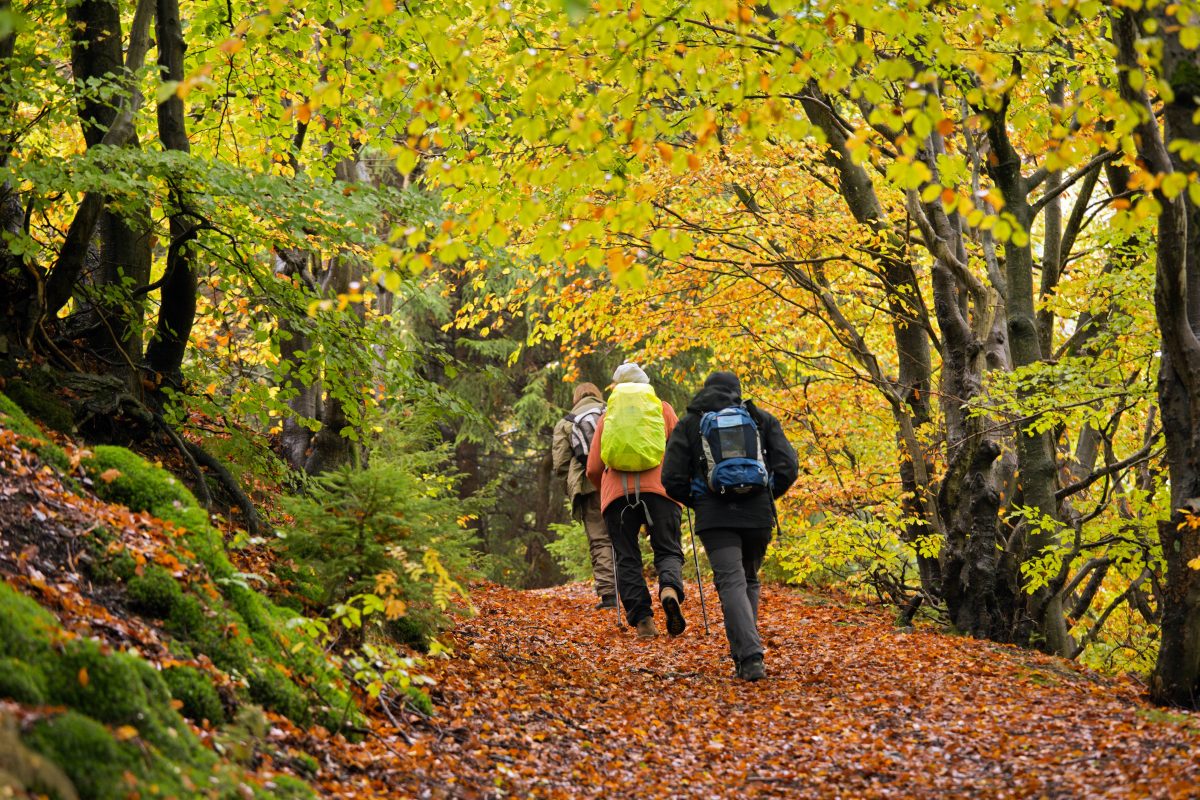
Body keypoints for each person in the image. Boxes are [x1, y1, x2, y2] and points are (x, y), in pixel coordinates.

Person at [662, 371, 798, 681]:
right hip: (758, 516)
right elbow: (788, 466)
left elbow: (670, 479)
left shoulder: (690, 423)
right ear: (736, 392)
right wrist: (766, 494)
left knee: (732, 582)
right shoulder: (759, 419)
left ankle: (749, 656)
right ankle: (745, 655)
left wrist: (699, 501)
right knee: (748, 579)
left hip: (716, 519)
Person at [586, 363, 686, 639]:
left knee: (626, 556)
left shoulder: (608, 416)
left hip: (618, 497)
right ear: (646, 384)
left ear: (616, 387)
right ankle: (669, 590)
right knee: (667, 548)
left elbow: (594, 467)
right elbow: (679, 453)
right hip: (661, 492)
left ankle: (643, 621)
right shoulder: (662, 409)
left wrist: (605, 491)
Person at [552, 382, 616, 609]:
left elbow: (560, 463)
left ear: (576, 398)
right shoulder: (613, 410)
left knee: (600, 539)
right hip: (619, 482)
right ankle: (633, 590)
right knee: (624, 536)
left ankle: (609, 595)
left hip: (590, 487)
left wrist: (571, 483)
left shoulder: (566, 422)